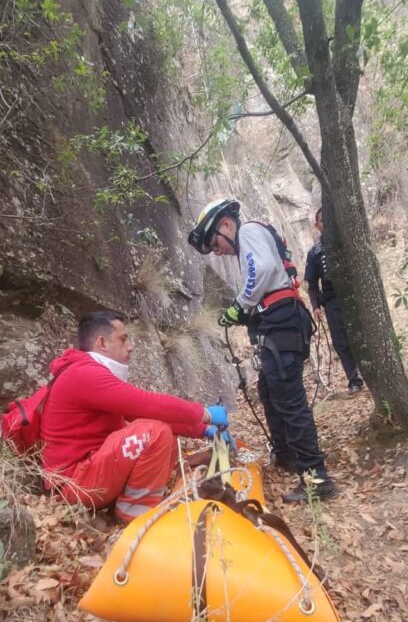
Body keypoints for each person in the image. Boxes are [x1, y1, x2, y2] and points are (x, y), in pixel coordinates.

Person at [188, 198, 336, 502]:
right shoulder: (249, 242)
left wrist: (238, 307)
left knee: (288, 397)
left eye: (216, 243)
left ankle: (316, 477)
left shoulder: (249, 232)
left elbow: (264, 271)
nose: (219, 251)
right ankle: (286, 455)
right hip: (279, 320)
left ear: (226, 224)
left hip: (283, 320)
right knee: (270, 390)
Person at [40, 309, 229, 521]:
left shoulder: (86, 372)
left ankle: (132, 506)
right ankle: (133, 517)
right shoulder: (84, 374)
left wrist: (203, 430)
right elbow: (148, 404)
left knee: (163, 432)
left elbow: (140, 414)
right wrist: (204, 414)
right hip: (74, 484)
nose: (130, 346)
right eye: (123, 339)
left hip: (84, 475)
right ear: (102, 343)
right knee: (156, 433)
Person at [304, 208, 364, 394]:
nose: (326, 223)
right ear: (317, 225)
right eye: (322, 220)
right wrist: (315, 307)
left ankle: (372, 373)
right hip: (331, 302)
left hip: (352, 297)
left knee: (361, 335)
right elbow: (312, 284)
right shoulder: (314, 253)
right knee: (340, 342)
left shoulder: (346, 242)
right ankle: (354, 379)